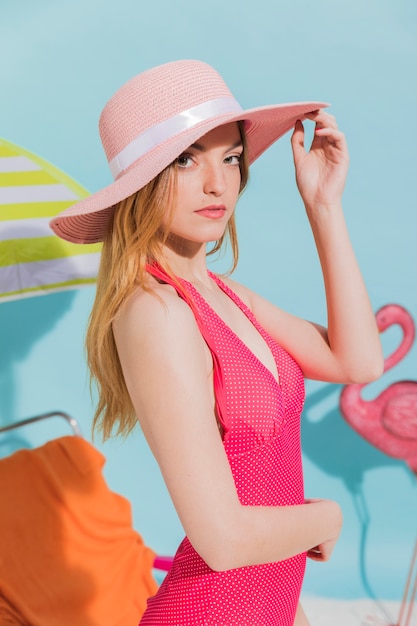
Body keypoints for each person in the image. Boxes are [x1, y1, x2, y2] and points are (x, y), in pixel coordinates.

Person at [50, 59, 383, 626]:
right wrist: (324, 517)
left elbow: (357, 361)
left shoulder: (226, 296)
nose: (218, 184)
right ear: (142, 184)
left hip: (273, 606)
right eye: (185, 160)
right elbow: (223, 541)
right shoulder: (155, 313)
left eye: (230, 157)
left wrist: (324, 207)